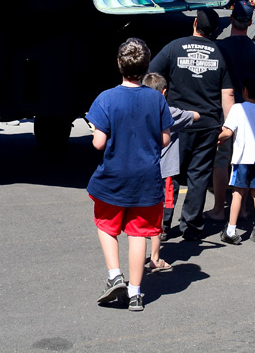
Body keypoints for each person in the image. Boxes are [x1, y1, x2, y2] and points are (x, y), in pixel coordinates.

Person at [87, 39, 173, 312]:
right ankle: (136, 293)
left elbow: (98, 143)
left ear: (119, 64)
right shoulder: (155, 99)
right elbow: (165, 139)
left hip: (113, 176)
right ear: (146, 66)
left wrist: (96, 129)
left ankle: (115, 276)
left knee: (106, 226)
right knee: (139, 234)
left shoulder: (106, 98)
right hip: (146, 178)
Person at [151, 8, 234, 240]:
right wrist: (228, 127)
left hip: (177, 122)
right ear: (215, 30)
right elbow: (227, 94)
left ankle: (163, 226)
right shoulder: (221, 52)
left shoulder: (173, 47)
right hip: (208, 124)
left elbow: (151, 78)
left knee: (170, 174)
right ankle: (192, 225)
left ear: (195, 23)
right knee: (199, 175)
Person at [208, 1, 255, 222]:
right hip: (250, 108)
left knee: (223, 159)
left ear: (231, 19)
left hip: (226, 109)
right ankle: (242, 208)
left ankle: (219, 208)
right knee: (246, 158)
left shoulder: (220, 47)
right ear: (250, 22)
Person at [140, 73, 199, 271]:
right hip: (164, 170)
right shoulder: (170, 113)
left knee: (142, 214)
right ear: (164, 92)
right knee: (161, 211)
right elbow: (195, 116)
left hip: (142, 169)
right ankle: (156, 254)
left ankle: (141, 248)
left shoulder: (138, 111)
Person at [219, 75, 255, 245]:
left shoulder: (238, 108)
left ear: (245, 90)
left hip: (241, 158)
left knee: (237, 193)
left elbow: (227, 132)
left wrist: (216, 138)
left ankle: (231, 230)